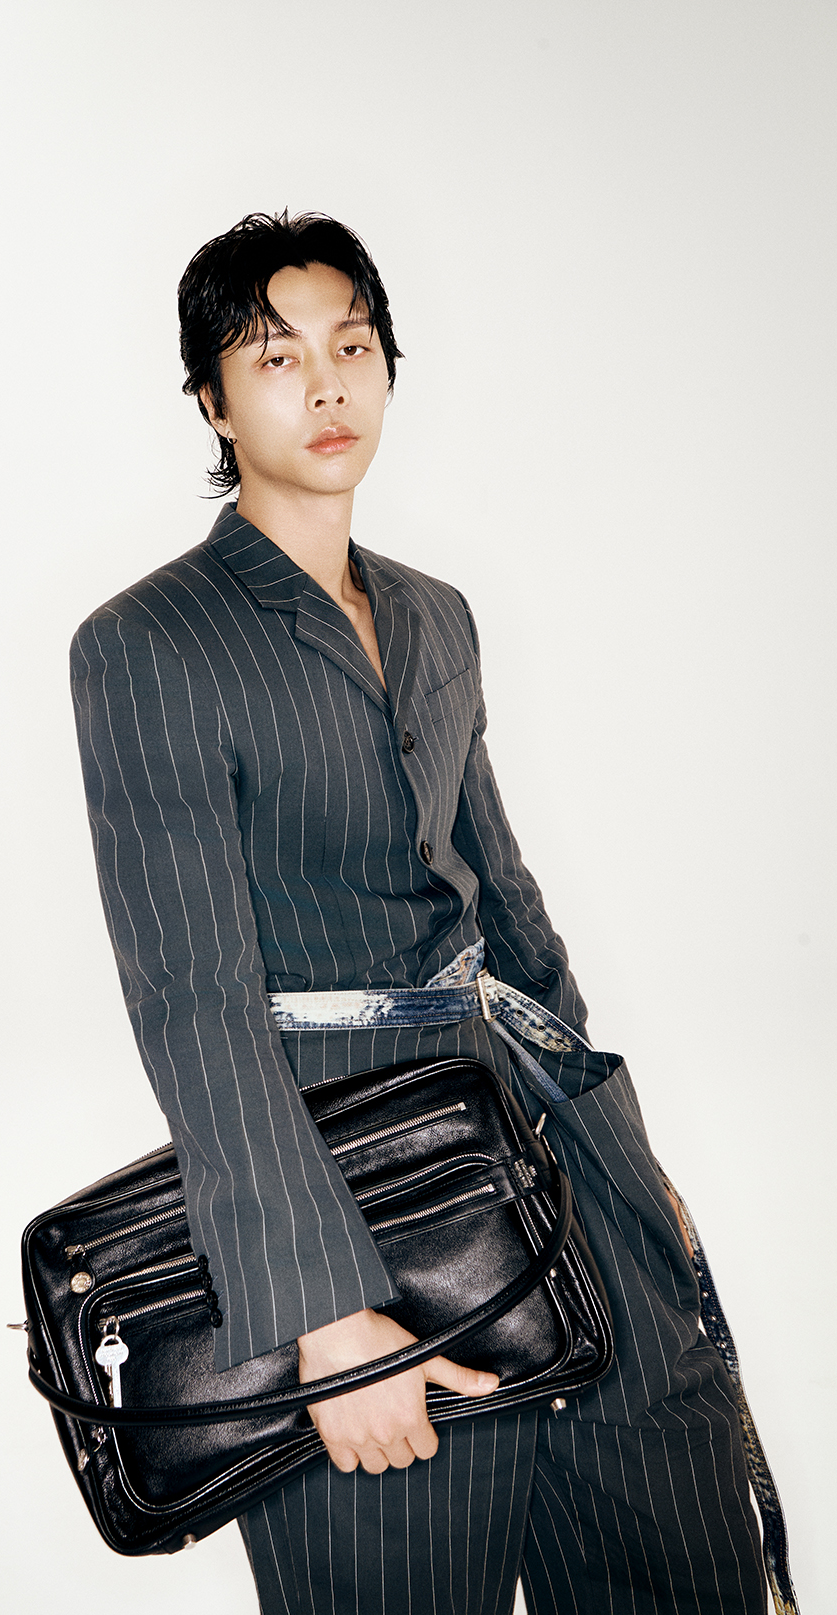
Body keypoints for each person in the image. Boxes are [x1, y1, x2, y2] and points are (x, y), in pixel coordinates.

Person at [69, 212, 768, 1614]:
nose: (326, 385)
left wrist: (629, 1161)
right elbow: (192, 1000)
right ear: (212, 400)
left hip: (543, 1153)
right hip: (341, 1195)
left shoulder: (437, 615)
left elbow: (508, 910)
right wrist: (323, 1312)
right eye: (276, 358)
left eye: (353, 346)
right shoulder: (147, 643)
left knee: (682, 1548)